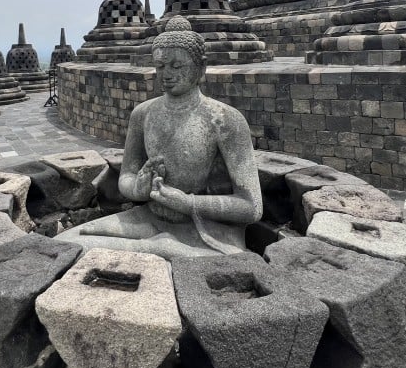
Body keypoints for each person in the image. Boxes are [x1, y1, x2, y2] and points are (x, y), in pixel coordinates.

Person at [57, 17, 262, 259]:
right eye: (160, 66)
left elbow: (252, 206)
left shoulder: (224, 120)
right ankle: (157, 248)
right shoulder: (143, 114)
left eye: (177, 66)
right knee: (66, 242)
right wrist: (138, 188)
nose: (167, 75)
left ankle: (158, 249)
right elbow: (127, 176)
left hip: (206, 229)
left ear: (201, 68)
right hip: (150, 217)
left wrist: (188, 204)